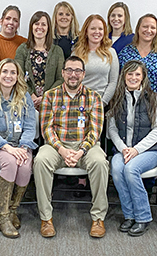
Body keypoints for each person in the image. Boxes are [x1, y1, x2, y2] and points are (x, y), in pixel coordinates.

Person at [33, 56, 109, 238]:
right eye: (69, 70)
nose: (72, 75)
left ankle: (98, 218)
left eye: (77, 71)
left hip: (86, 147)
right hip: (56, 146)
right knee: (40, 160)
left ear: (83, 74)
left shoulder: (94, 97)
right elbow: (46, 129)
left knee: (100, 162)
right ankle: (46, 218)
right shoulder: (50, 96)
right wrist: (62, 150)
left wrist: (81, 151)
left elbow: (95, 130)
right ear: (63, 73)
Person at [0, 58, 37, 238]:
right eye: (5, 72)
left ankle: (12, 210)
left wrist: (23, 147)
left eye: (13, 72)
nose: (8, 76)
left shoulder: (24, 96)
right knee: (11, 163)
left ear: (18, 76)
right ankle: (2, 217)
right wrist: (9, 149)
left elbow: (30, 126)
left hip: (20, 145)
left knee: (26, 166)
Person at [108, 60, 157, 236]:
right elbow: (111, 129)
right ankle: (129, 215)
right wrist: (124, 148)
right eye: (130, 74)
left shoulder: (152, 98)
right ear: (124, 77)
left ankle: (143, 217)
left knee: (131, 168)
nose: (133, 77)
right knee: (117, 168)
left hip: (149, 151)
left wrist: (136, 150)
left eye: (137, 74)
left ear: (143, 77)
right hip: (124, 149)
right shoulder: (117, 98)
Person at [118, 14, 157, 112]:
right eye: (145, 26)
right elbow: (121, 80)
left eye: (153, 28)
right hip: (129, 106)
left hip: (155, 105)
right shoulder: (126, 52)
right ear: (138, 28)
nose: (148, 30)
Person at [15, 11, 64, 110]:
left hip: (51, 102)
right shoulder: (22, 49)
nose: (40, 27)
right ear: (31, 27)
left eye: (43, 24)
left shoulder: (57, 51)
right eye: (36, 24)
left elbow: (61, 78)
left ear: (48, 28)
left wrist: (45, 97)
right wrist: (31, 95)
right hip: (26, 101)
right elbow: (18, 75)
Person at [73, 14, 119, 107]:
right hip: (79, 104)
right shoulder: (76, 53)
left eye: (100, 29)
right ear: (86, 31)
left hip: (102, 105)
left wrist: (102, 103)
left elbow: (113, 81)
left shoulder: (111, 53)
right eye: (93, 28)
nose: (97, 32)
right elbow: (71, 80)